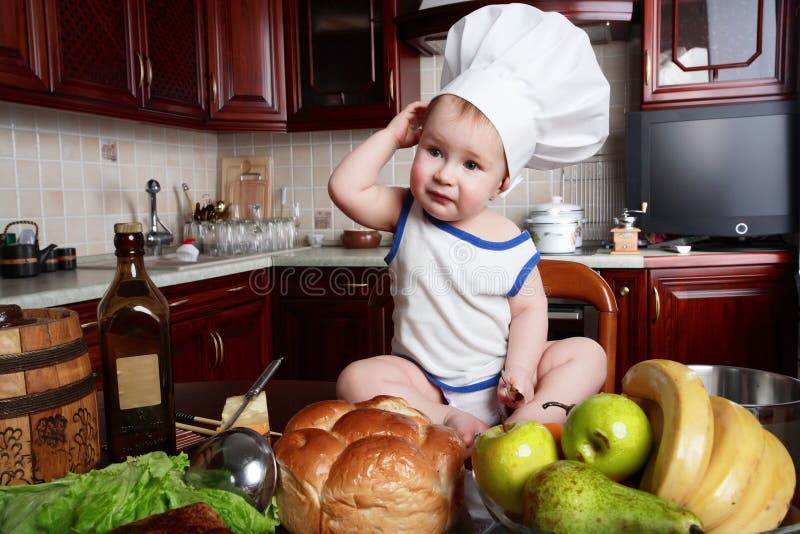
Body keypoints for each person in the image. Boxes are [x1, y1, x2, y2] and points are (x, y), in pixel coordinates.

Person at [328, 4, 610, 450]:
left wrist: (519, 369)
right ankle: (450, 421)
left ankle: (529, 423)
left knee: (588, 355)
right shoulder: (407, 213)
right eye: (434, 151)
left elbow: (530, 311)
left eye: (471, 164)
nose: (445, 174)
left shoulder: (511, 243)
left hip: (503, 385)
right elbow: (345, 187)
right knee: (357, 378)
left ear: (501, 182)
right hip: (425, 387)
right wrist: (390, 135)